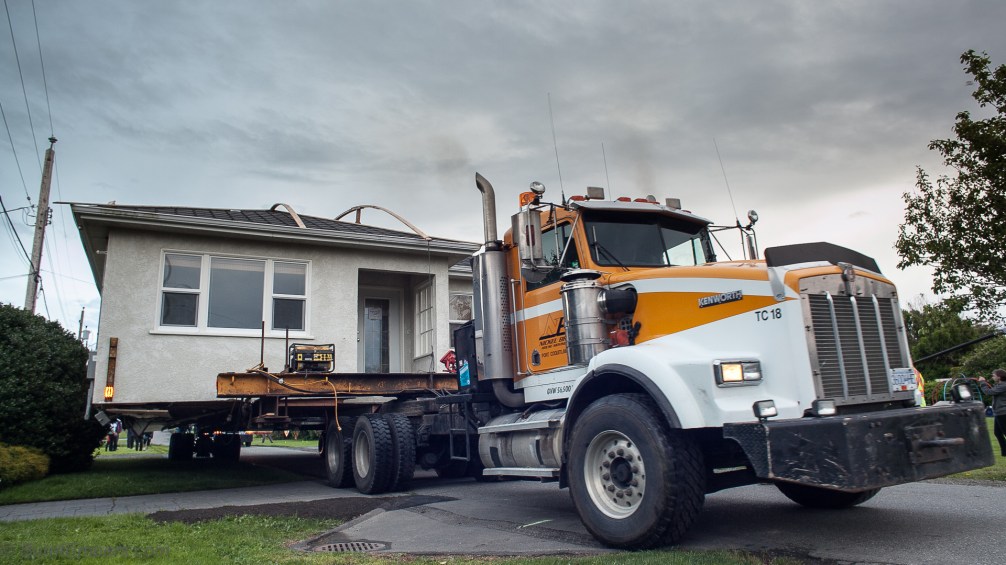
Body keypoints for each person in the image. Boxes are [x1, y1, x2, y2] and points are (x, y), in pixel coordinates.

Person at [978, 369, 1006, 457]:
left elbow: (988, 392)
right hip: (998, 413)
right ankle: (1005, 452)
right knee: (997, 433)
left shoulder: (1004, 385)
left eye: (993, 375)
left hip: (1003, 413)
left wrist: (982, 382)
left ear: (999, 377)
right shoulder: (1000, 385)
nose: (992, 377)